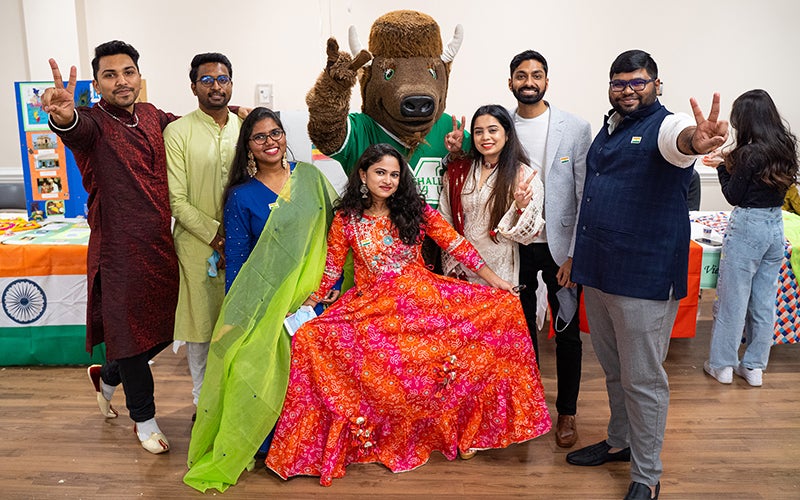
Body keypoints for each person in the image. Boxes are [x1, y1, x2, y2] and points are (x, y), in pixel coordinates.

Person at [266, 143, 552, 486]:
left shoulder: (416, 211)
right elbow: (331, 269)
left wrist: (497, 281)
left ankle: (463, 428)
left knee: (500, 311)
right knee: (312, 338)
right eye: (380, 172)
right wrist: (311, 303)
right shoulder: (346, 219)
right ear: (362, 174)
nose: (388, 180)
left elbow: (455, 245)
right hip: (371, 305)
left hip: (422, 299)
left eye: (395, 174)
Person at [566, 50, 728, 500]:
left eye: (638, 82)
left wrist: (701, 138)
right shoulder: (611, 125)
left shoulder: (666, 126)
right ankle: (620, 442)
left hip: (644, 278)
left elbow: (684, 142)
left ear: (657, 84)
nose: (628, 90)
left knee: (643, 379)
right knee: (615, 370)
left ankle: (647, 474)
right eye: (619, 83)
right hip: (599, 271)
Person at [184, 108, 341, 493]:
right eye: (260, 137)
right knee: (250, 362)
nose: (271, 142)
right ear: (248, 147)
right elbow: (238, 261)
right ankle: (266, 444)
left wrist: (328, 289)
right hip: (267, 304)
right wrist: (242, 317)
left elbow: (337, 234)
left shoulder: (311, 179)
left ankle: (309, 444)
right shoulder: (241, 196)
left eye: (276, 133)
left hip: (313, 300)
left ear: (285, 136)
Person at [42, 40, 180, 454]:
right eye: (109, 74)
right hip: (117, 248)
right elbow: (73, 129)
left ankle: (108, 375)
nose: (121, 81)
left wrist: (237, 115)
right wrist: (64, 117)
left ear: (139, 75)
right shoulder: (92, 122)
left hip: (161, 245)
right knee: (132, 336)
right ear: (97, 82)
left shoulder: (154, 116)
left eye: (127, 72)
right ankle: (145, 419)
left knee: (167, 328)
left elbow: (193, 128)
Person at [507, 49, 593, 448]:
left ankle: (567, 413)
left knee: (567, 332)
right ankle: (527, 408)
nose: (529, 81)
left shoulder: (575, 128)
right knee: (519, 331)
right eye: (521, 75)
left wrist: (575, 254)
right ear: (511, 82)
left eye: (536, 75)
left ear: (546, 81)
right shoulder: (498, 124)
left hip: (560, 249)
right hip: (514, 247)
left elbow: (583, 194)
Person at [703, 89, 798, 387]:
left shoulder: (748, 153)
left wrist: (720, 166)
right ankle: (754, 367)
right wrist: (730, 160)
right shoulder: (784, 146)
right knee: (764, 302)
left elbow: (733, 195)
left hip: (747, 227)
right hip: (774, 226)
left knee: (733, 300)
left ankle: (722, 366)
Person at [164, 52, 241, 413]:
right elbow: (176, 200)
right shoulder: (178, 132)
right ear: (193, 85)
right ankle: (202, 404)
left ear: (231, 84)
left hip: (246, 242)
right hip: (196, 246)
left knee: (238, 322)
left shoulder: (246, 127)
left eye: (222, 79)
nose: (215, 86)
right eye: (207, 80)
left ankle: (236, 401)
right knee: (201, 328)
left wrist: (238, 238)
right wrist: (216, 237)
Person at [439, 104, 544, 286]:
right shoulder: (459, 173)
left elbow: (527, 236)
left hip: (500, 271)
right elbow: (444, 220)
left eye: (493, 130)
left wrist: (521, 206)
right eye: (478, 132)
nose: (485, 137)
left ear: (507, 134)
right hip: (461, 268)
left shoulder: (523, 176)